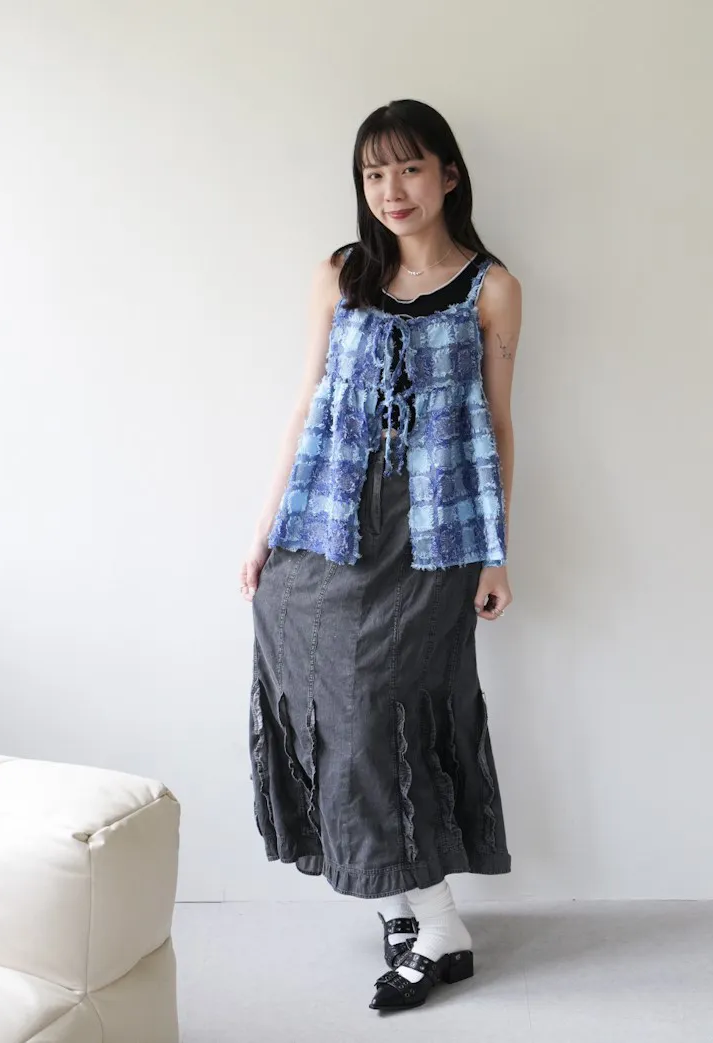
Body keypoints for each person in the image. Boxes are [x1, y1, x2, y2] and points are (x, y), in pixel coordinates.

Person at [239, 98, 522, 1012]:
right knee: (334, 710)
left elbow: (497, 424)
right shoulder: (342, 273)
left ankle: (436, 923)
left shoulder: (491, 287)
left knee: (379, 715)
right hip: (326, 524)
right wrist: (263, 530)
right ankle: (407, 908)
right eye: (373, 173)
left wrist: (495, 553)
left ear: (447, 174)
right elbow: (307, 400)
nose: (390, 189)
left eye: (408, 168)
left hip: (431, 534)